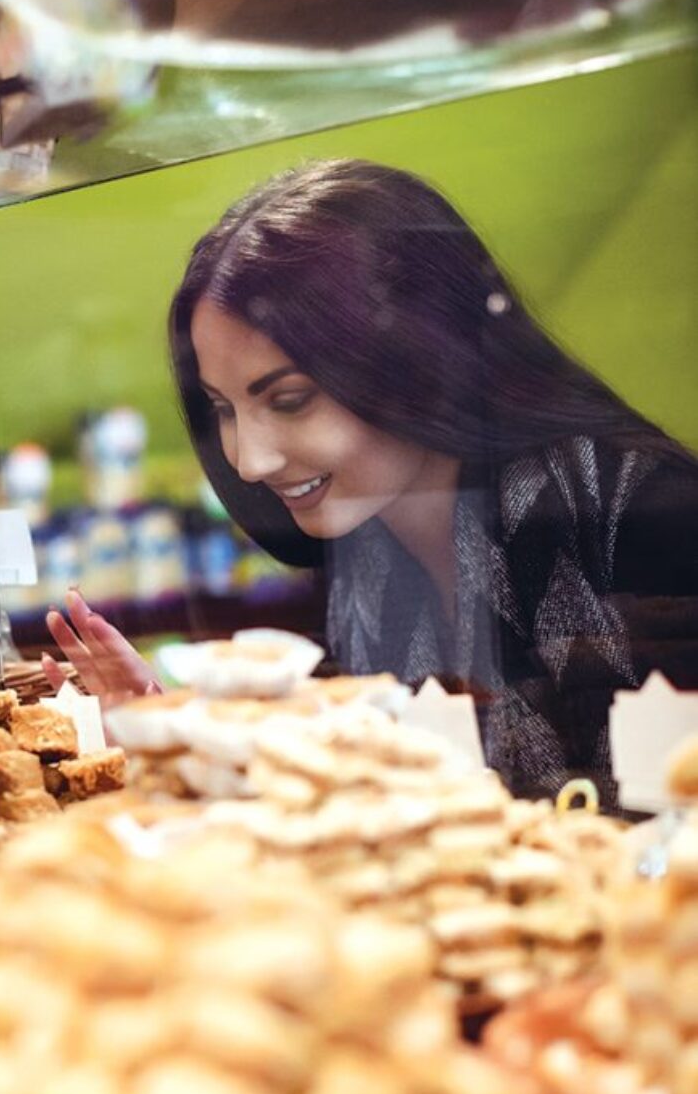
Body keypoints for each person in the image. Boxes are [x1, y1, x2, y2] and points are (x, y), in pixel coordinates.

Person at [43, 158, 698, 802]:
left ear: (421, 359)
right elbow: (360, 811)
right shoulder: (366, 551)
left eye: (290, 399)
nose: (250, 461)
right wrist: (173, 734)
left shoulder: (645, 514)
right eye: (224, 409)